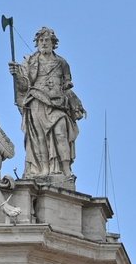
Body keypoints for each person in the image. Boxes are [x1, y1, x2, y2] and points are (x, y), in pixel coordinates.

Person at [9, 27, 87, 178]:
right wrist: (17, 74)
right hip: (37, 101)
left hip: (58, 105)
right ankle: (44, 169)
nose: (44, 43)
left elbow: (67, 83)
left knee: (60, 132)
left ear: (53, 43)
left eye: (47, 40)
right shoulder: (31, 61)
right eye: (41, 40)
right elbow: (24, 86)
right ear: (37, 43)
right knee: (39, 137)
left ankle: (66, 169)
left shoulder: (62, 63)